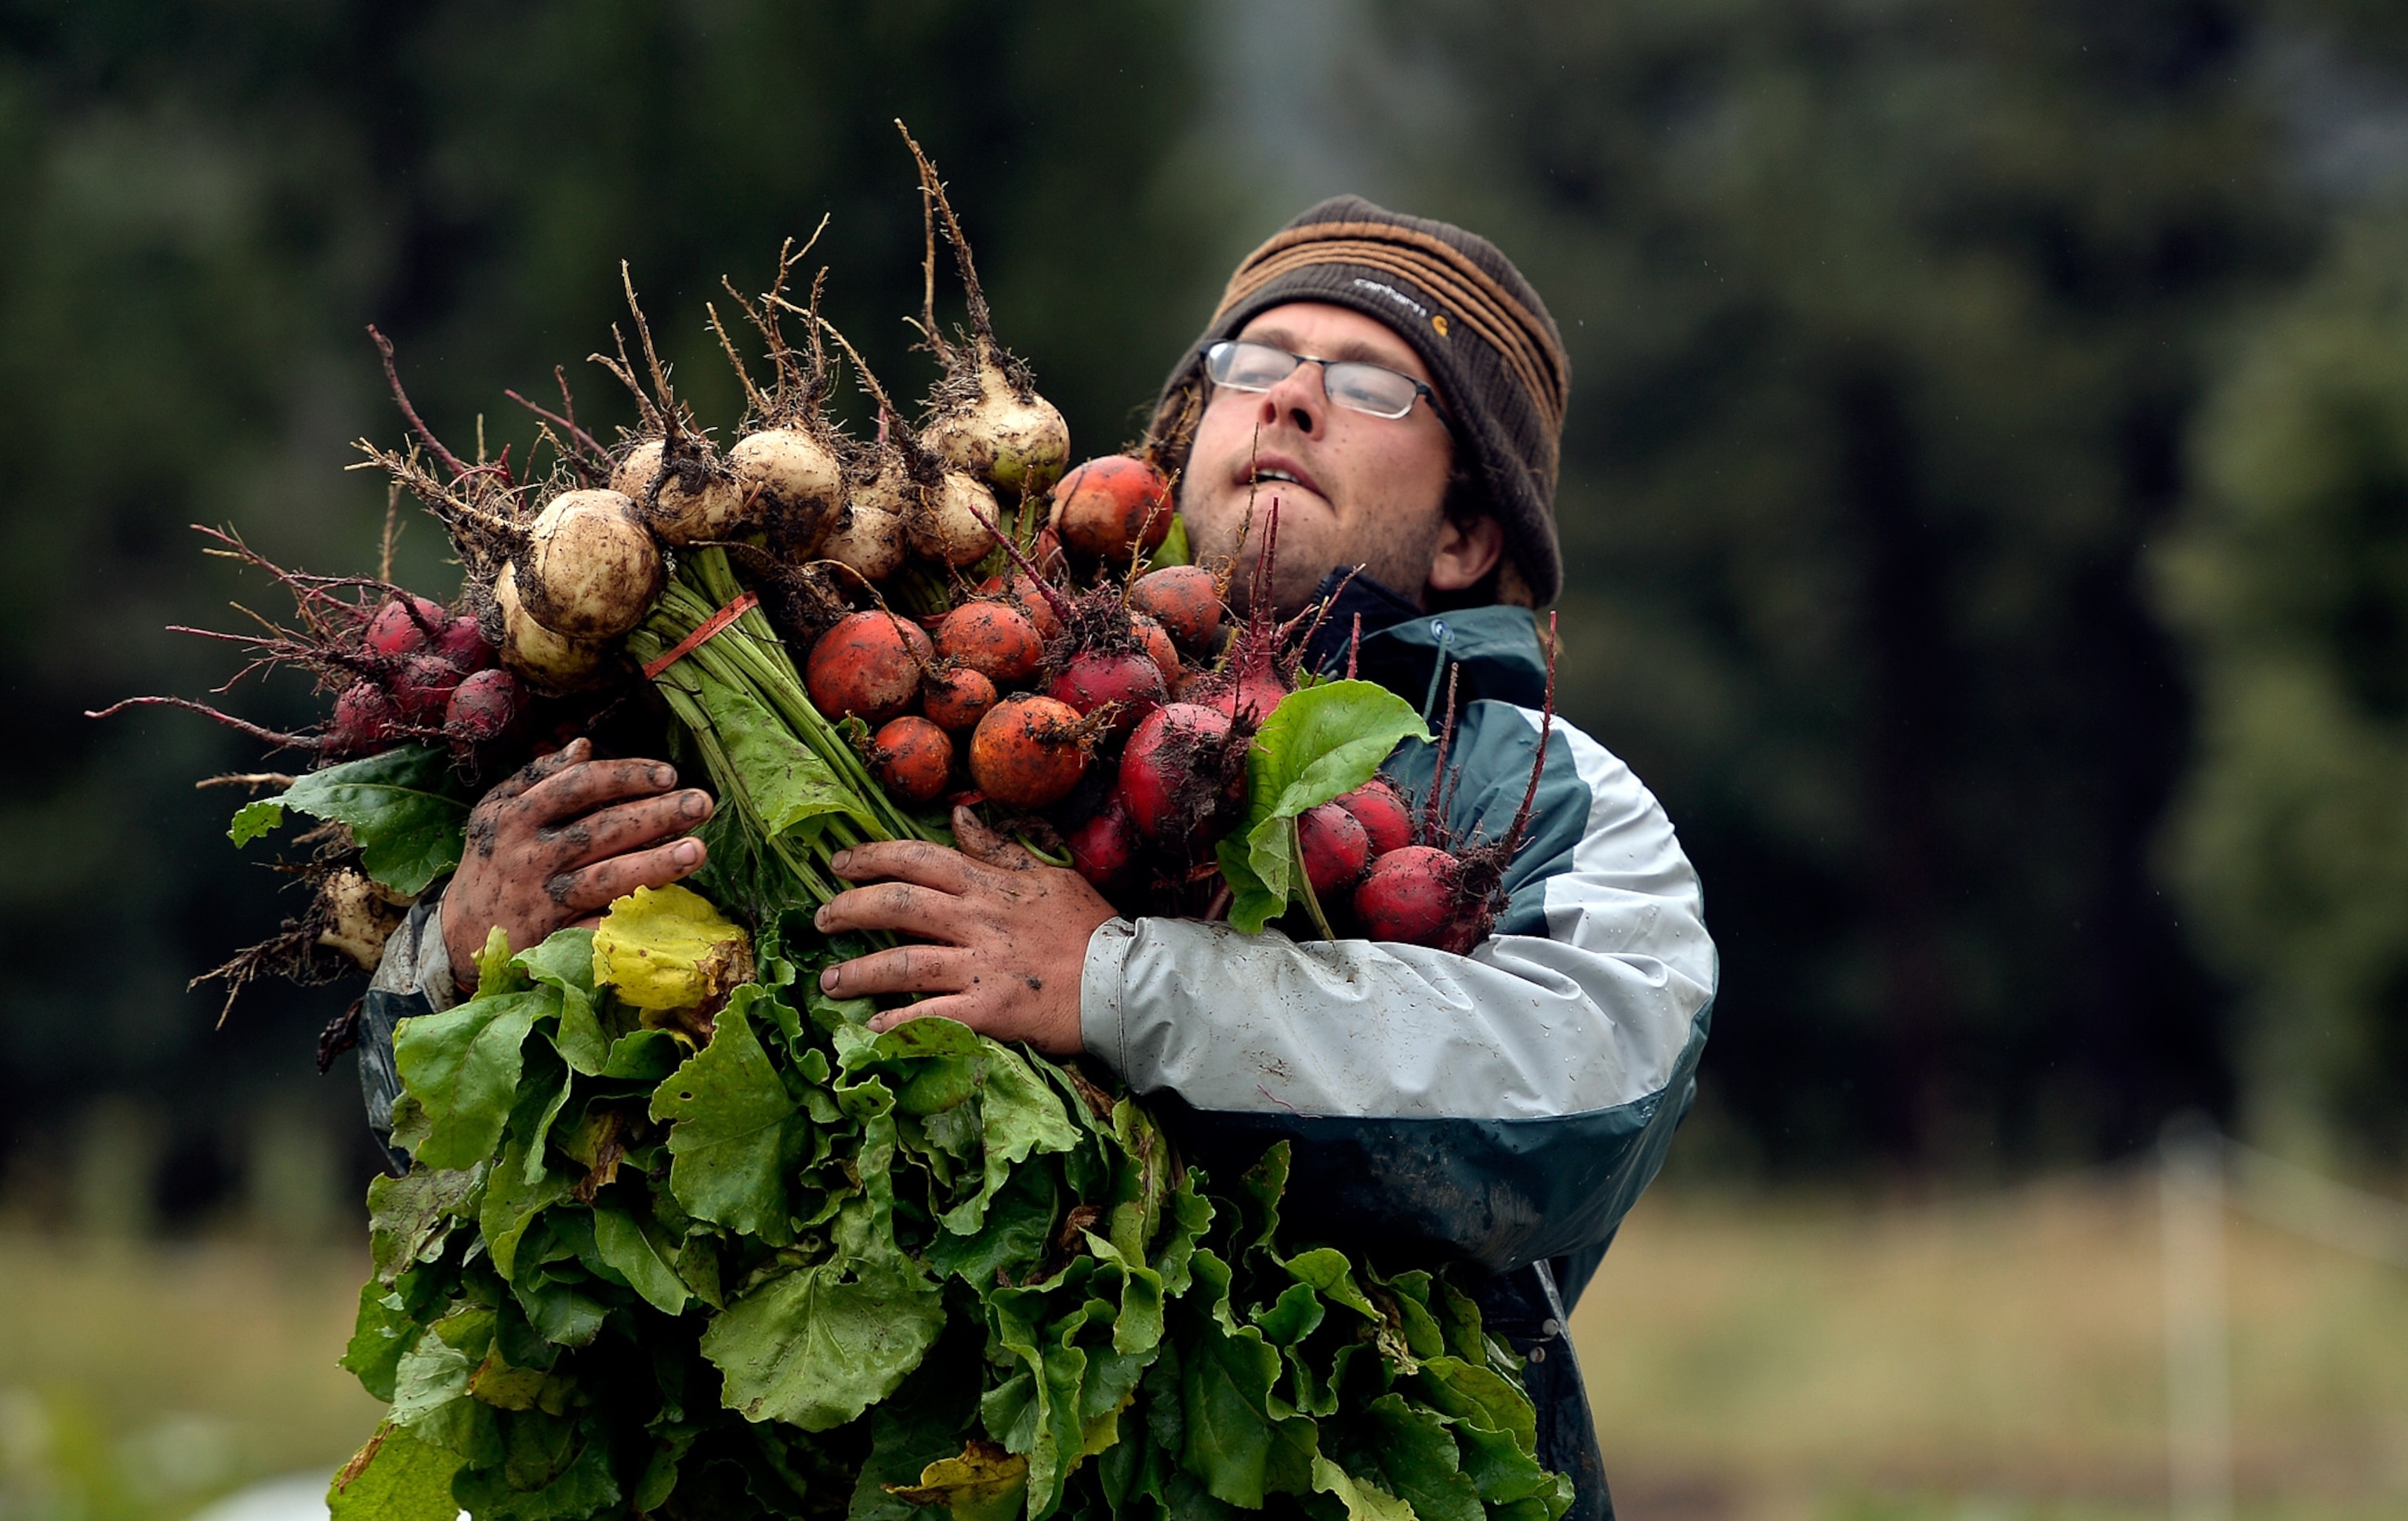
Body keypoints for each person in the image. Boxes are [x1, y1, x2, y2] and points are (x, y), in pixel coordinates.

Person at [358, 198, 1716, 1520]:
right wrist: (454, 962)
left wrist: (1117, 983)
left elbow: (1586, 1082)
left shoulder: (1536, 789)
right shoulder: (955, 664)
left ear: (1472, 532)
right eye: (1253, 365)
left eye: (1370, 385)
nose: (1290, 399)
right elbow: (449, 1125)